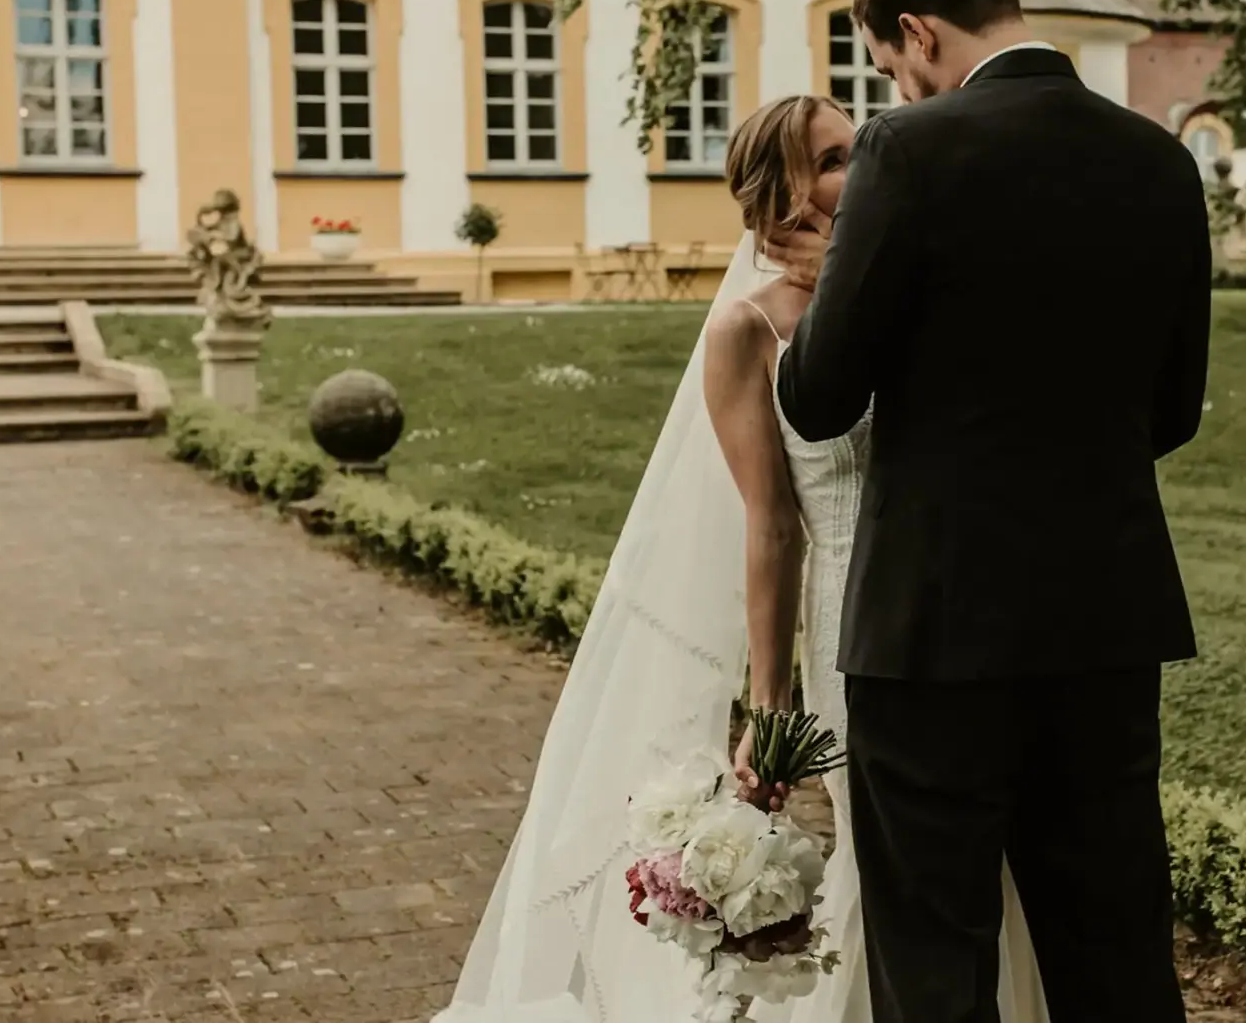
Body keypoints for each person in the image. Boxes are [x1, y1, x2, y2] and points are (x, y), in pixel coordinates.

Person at [434, 94, 1049, 1022]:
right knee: (888, 870)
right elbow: (772, 524)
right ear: (780, 198)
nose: (866, 165)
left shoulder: (916, 295)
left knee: (987, 863)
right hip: (857, 623)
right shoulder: (748, 330)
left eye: (860, 148)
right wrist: (772, 708)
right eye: (837, 158)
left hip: (980, 619)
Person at [764, 0, 1212, 1021]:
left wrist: (798, 314)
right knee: (1115, 947)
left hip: (934, 629)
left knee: (936, 954)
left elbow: (820, 402)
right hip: (1106, 623)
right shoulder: (1157, 159)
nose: (900, 91)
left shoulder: (903, 151)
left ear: (916, 34)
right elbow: (1171, 408)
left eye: (890, 68)